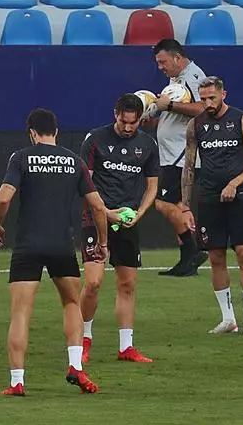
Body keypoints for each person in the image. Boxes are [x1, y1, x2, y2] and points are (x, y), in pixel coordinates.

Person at [0, 108, 107, 396]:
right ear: (56, 131)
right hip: (61, 245)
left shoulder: (21, 158)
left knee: (21, 312)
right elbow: (97, 205)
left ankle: (17, 381)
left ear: (32, 132)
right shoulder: (74, 161)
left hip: (28, 245)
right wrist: (102, 242)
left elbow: (3, 199)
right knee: (71, 303)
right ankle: (75, 365)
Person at [181, 76, 243, 335]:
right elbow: (189, 166)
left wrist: (234, 183)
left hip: (239, 197)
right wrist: (185, 206)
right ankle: (228, 319)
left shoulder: (242, 120)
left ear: (223, 95)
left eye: (212, 98)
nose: (207, 103)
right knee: (216, 257)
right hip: (208, 198)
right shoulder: (195, 125)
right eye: (203, 99)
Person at [78, 94, 159, 364]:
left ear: (140, 119)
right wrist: (105, 212)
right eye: (124, 121)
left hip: (127, 221)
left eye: (133, 123)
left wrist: (139, 214)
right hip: (96, 217)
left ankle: (126, 347)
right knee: (93, 283)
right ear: (116, 114)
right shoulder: (95, 139)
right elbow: (84, 184)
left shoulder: (147, 145)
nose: (127, 127)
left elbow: (152, 186)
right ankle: (84, 340)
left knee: (127, 283)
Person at [151, 39, 209, 277]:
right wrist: (155, 118)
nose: (160, 67)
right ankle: (187, 261)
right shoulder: (176, 80)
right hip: (171, 155)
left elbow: (203, 108)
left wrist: (169, 105)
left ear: (177, 58)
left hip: (181, 155)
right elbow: (176, 114)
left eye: (162, 62)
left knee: (162, 204)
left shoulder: (193, 76)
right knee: (176, 207)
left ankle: (194, 249)